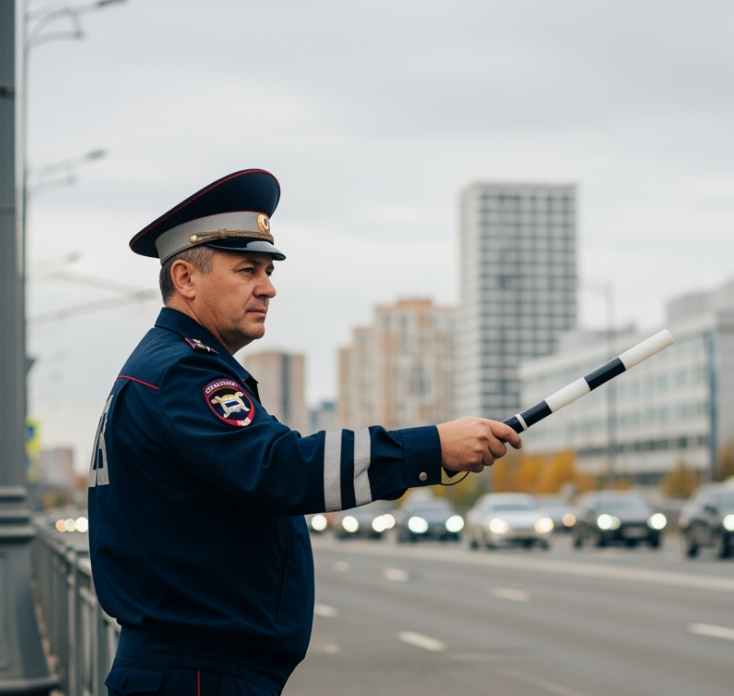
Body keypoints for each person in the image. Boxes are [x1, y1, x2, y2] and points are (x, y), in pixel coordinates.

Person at [87, 169, 520, 696]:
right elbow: (282, 470)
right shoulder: (183, 373)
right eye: (247, 270)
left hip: (193, 666)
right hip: (198, 672)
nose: (268, 288)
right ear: (185, 278)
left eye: (268, 270)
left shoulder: (168, 367)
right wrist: (433, 446)